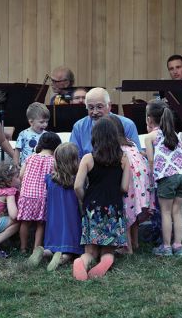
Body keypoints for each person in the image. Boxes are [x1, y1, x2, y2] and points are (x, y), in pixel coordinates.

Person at [73, 117, 129, 281]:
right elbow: (125, 187)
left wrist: (84, 200)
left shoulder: (88, 158)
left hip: (92, 208)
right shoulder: (123, 158)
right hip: (113, 209)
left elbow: (77, 186)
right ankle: (106, 261)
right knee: (108, 251)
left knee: (90, 252)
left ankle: (81, 262)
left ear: (94, 136)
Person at [145, 100, 182, 257]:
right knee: (177, 212)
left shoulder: (150, 136)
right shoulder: (176, 136)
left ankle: (166, 247)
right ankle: (178, 246)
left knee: (165, 212)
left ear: (149, 119)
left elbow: (151, 160)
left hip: (167, 177)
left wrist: (152, 177)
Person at [27, 142, 84, 271]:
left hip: (53, 224)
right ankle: (63, 258)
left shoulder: (49, 179)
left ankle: (43, 253)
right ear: (75, 161)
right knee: (69, 251)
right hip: (71, 223)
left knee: (51, 248)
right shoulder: (76, 181)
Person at [107, 115, 155, 254]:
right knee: (134, 215)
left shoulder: (116, 148)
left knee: (126, 214)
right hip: (142, 184)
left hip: (130, 184)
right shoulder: (130, 143)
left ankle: (127, 247)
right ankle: (135, 242)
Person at [17, 132, 62, 254]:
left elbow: (21, 175)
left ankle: (22, 248)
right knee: (40, 224)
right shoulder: (54, 161)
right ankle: (36, 250)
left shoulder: (30, 157)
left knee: (25, 222)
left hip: (27, 195)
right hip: (43, 197)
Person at [70, 87, 141, 158]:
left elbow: (136, 156)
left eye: (99, 107)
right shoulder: (79, 127)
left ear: (109, 106)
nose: (95, 112)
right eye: (91, 108)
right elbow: (74, 158)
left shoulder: (127, 125)